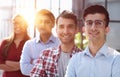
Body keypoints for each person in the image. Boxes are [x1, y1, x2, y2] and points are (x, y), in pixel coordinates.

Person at [65, 5, 120, 77]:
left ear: (106, 29)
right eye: (89, 23)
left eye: (98, 23)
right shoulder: (75, 60)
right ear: (84, 29)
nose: (93, 28)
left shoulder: (116, 59)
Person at [30, 10, 82, 77]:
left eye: (70, 26)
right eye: (61, 27)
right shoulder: (45, 55)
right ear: (56, 30)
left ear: (76, 29)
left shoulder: (84, 58)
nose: (65, 31)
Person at [20, 9, 60, 76]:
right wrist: (50, 69)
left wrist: (35, 63)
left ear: (53, 24)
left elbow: (63, 68)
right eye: (40, 21)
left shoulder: (60, 44)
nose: (43, 24)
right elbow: (24, 68)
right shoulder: (29, 45)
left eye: (47, 22)